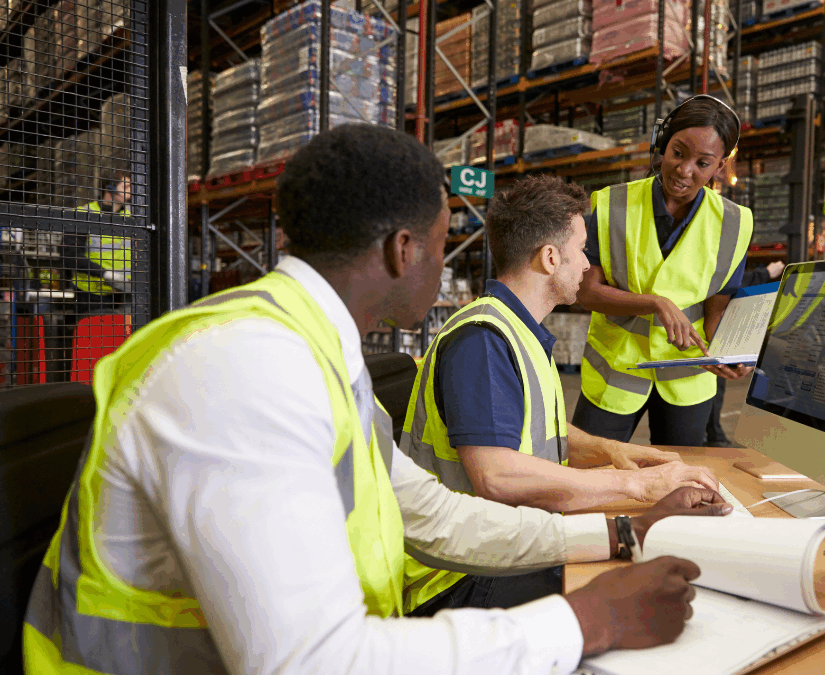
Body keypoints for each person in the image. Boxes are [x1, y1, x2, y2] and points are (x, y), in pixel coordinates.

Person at [23, 124, 732, 675]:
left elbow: (435, 515)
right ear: (403, 250)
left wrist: (620, 535)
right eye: (442, 237)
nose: (453, 254)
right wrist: (584, 622)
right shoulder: (244, 369)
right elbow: (311, 662)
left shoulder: (319, 353)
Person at [400, 174, 721, 616]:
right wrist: (638, 485)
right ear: (550, 258)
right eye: (582, 249)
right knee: (662, 586)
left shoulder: (516, 330)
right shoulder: (482, 340)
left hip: (504, 548)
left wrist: (614, 451)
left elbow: (539, 429)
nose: (588, 264)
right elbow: (497, 476)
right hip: (459, 578)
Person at [573, 95, 755, 447]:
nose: (685, 170)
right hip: (615, 370)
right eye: (677, 153)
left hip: (687, 378)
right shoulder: (612, 203)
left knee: (680, 481)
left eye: (702, 162)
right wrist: (653, 303)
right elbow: (586, 293)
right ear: (662, 145)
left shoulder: (735, 223)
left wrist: (729, 354)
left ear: (719, 166)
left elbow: (716, 313)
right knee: (587, 467)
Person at [704, 259, 784, 447]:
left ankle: (714, 434)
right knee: (715, 385)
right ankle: (715, 435)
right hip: (706, 335)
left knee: (716, 385)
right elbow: (728, 280)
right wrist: (763, 273)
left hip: (713, 332)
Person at [62, 171, 134, 314]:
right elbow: (69, 255)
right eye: (125, 187)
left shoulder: (132, 218)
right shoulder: (84, 214)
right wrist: (104, 274)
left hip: (124, 295)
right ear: (110, 189)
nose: (131, 191)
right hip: (91, 296)